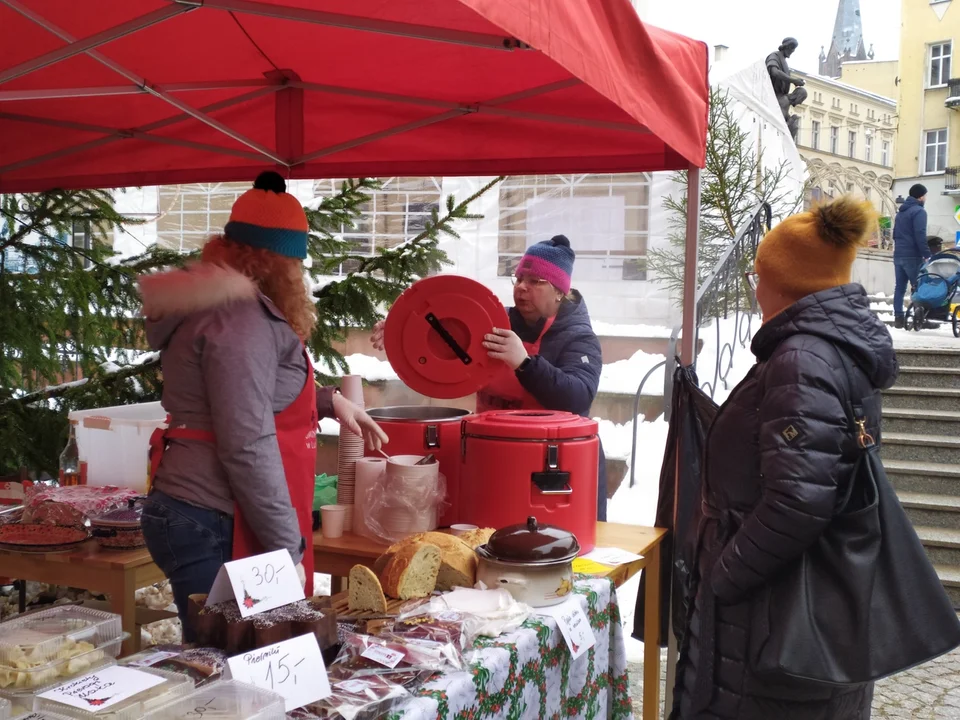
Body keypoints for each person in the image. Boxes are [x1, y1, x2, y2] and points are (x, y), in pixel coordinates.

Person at [138, 172, 387, 640]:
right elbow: (246, 438)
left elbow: (247, 394)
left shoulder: (227, 309)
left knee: (237, 662)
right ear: (277, 262)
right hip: (209, 511)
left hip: (200, 505)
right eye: (296, 264)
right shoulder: (240, 319)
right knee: (226, 666)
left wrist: (330, 401)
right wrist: (285, 550)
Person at [676, 196, 898, 720]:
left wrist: (724, 576)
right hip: (792, 603)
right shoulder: (825, 348)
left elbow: (799, 500)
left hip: (771, 612)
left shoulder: (802, 360)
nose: (754, 287)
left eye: (759, 275)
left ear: (787, 284)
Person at [371, 235, 608, 520]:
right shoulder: (494, 322)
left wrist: (524, 363)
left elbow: (578, 395)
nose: (521, 288)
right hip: (493, 459)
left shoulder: (579, 337)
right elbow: (448, 340)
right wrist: (400, 332)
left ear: (559, 291)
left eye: (535, 281)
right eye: (518, 278)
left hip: (551, 476)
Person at [893, 183, 932, 328]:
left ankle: (898, 318)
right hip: (913, 256)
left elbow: (895, 234)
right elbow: (920, 234)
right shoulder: (919, 212)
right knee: (919, 286)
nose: (926, 198)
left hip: (898, 255)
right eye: (925, 195)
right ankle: (920, 319)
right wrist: (926, 254)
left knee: (899, 288)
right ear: (921, 196)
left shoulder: (901, 212)